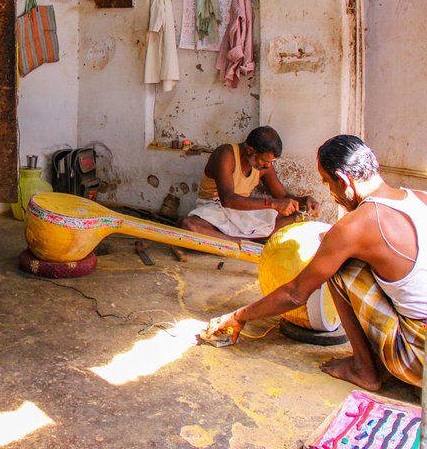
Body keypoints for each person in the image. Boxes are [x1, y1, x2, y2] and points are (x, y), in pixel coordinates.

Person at [204, 135, 426, 390]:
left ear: (343, 180)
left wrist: (240, 315)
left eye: (328, 183)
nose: (332, 194)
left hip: (417, 356)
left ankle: (364, 369)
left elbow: (296, 294)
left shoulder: (357, 225)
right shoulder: (420, 198)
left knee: (340, 268)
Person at [179, 125, 319, 242]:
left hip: (243, 212)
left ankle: (229, 240)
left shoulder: (265, 166)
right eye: (265, 161)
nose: (267, 166)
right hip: (215, 209)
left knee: (295, 218)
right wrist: (273, 204)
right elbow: (228, 200)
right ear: (250, 151)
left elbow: (282, 196)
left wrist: (303, 201)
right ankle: (238, 241)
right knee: (188, 225)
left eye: (271, 162)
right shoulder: (226, 154)